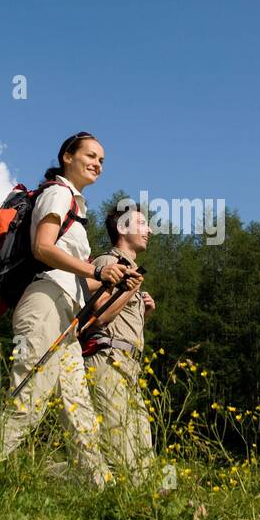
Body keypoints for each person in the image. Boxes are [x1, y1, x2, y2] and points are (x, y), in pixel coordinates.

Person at [0, 132, 138, 487]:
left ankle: (99, 487)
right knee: (29, 398)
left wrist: (114, 281)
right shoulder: (58, 192)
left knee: (78, 408)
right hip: (44, 304)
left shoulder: (76, 205)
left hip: (64, 312)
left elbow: (74, 278)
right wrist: (96, 269)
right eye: (90, 155)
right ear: (67, 156)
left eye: (102, 160)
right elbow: (43, 249)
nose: (97, 164)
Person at [81, 203, 157, 486]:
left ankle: (141, 510)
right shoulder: (107, 264)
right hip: (106, 360)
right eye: (141, 224)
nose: (149, 230)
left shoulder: (133, 271)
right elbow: (100, 316)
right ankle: (57, 477)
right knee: (118, 451)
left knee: (143, 454)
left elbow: (122, 324)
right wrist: (130, 290)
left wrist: (144, 314)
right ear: (122, 228)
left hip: (129, 365)